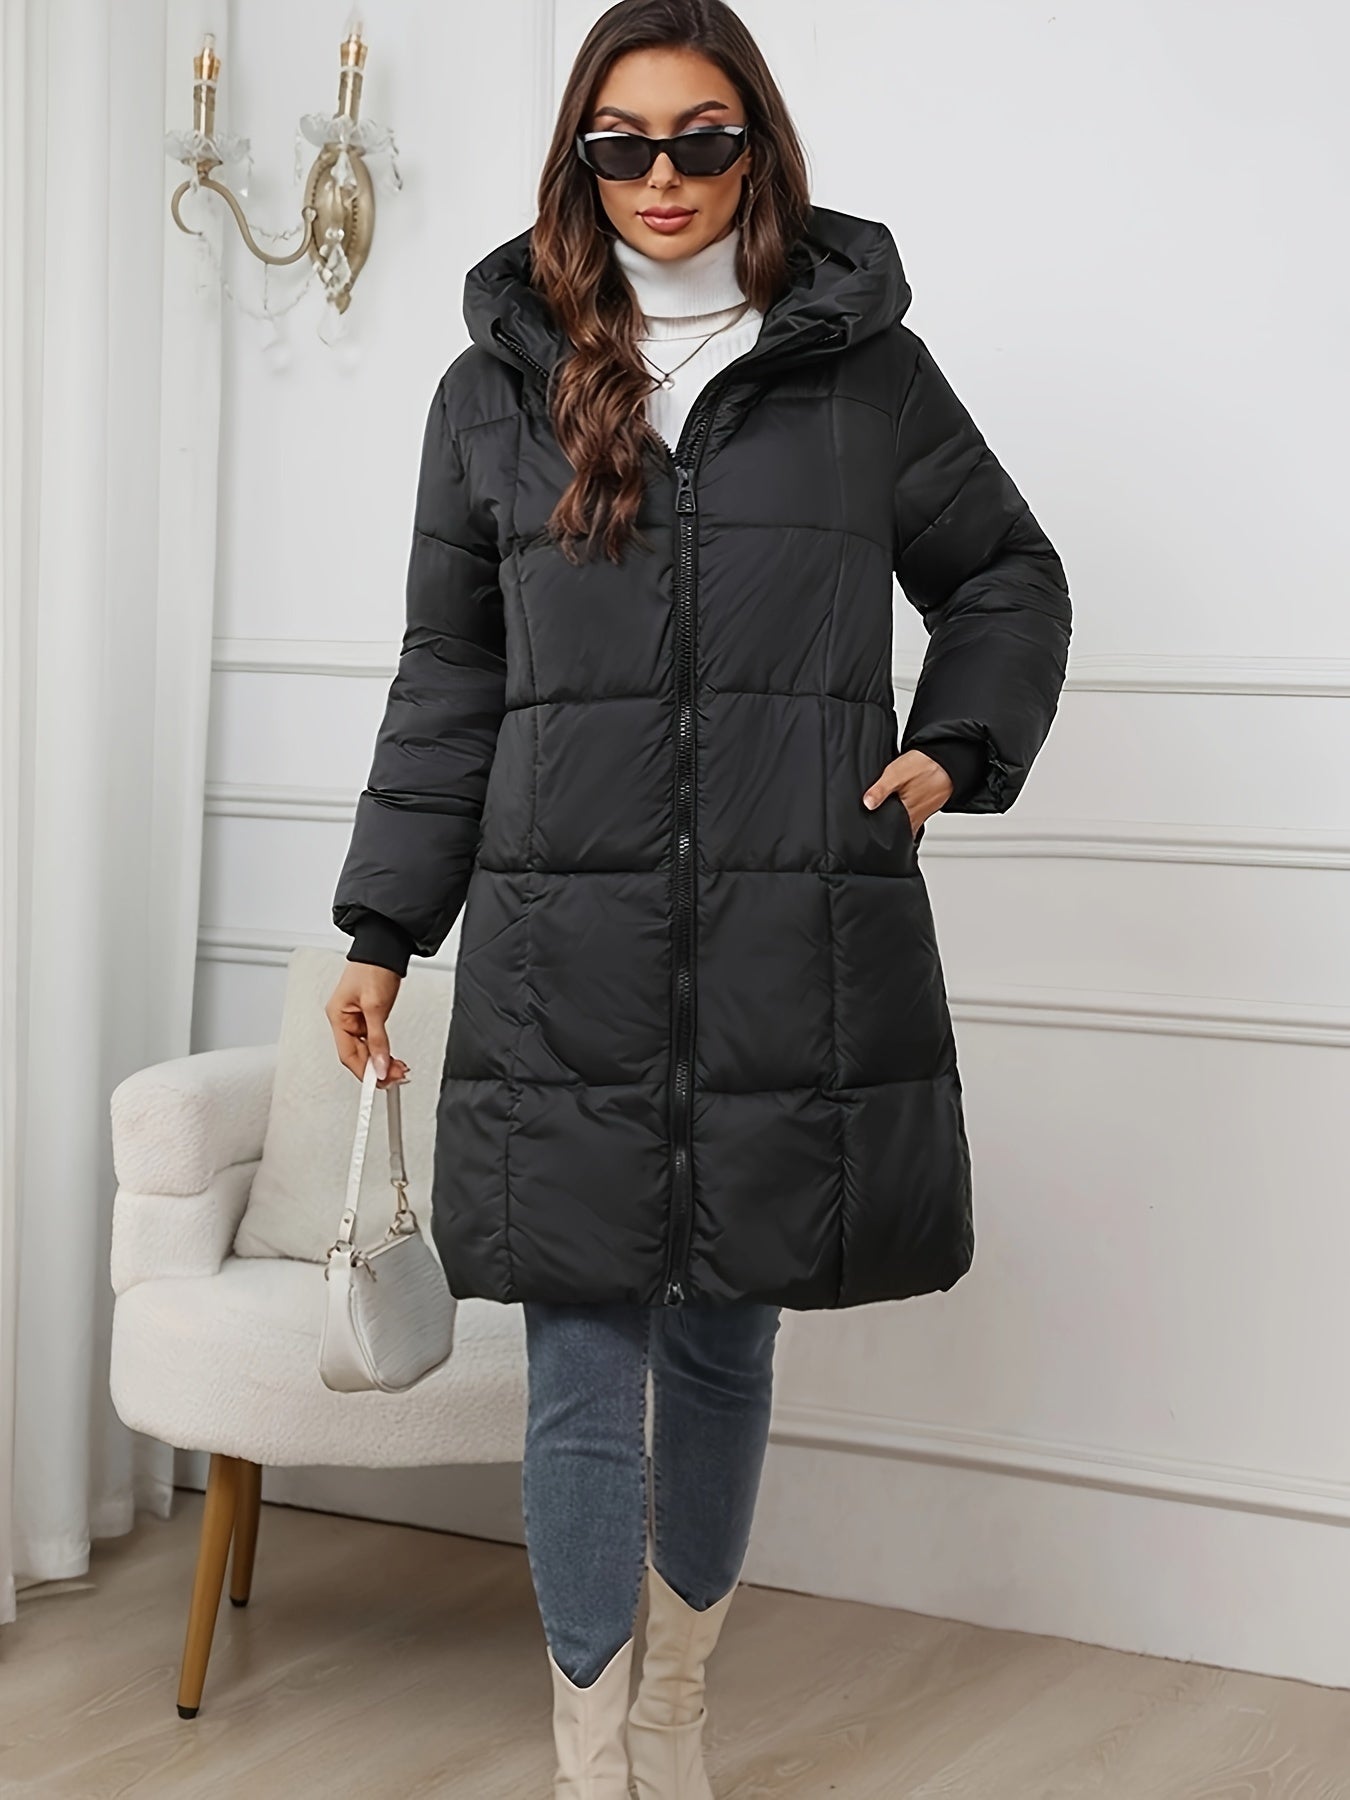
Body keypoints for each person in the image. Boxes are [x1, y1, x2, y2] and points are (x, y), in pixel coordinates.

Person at [325, 2, 1072, 1793]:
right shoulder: (494, 388)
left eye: (702, 138)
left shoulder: (864, 377)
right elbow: (452, 674)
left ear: (758, 148)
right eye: (623, 144)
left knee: (727, 1341)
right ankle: (593, 1751)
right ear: (580, 161)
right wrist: (380, 926)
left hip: (784, 934)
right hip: (559, 947)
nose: (662, 177)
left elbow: (1005, 574)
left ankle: (676, 1714)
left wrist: (952, 745)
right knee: (581, 1364)